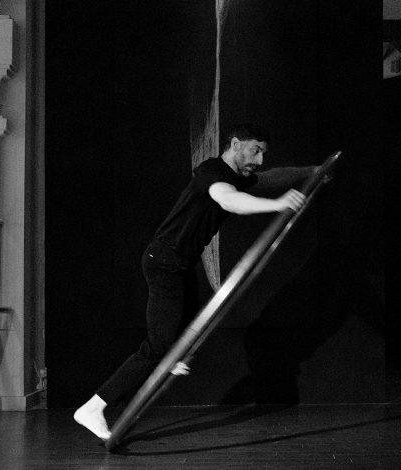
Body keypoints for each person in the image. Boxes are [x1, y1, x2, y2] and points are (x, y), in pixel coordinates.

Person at [74, 123, 317, 440]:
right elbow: (228, 200)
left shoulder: (237, 176)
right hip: (163, 263)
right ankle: (93, 407)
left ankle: (171, 356)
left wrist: (311, 171)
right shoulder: (212, 172)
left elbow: (272, 177)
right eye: (255, 151)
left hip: (181, 264)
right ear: (235, 144)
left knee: (189, 325)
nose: (259, 161)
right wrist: (277, 204)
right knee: (156, 348)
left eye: (262, 153)